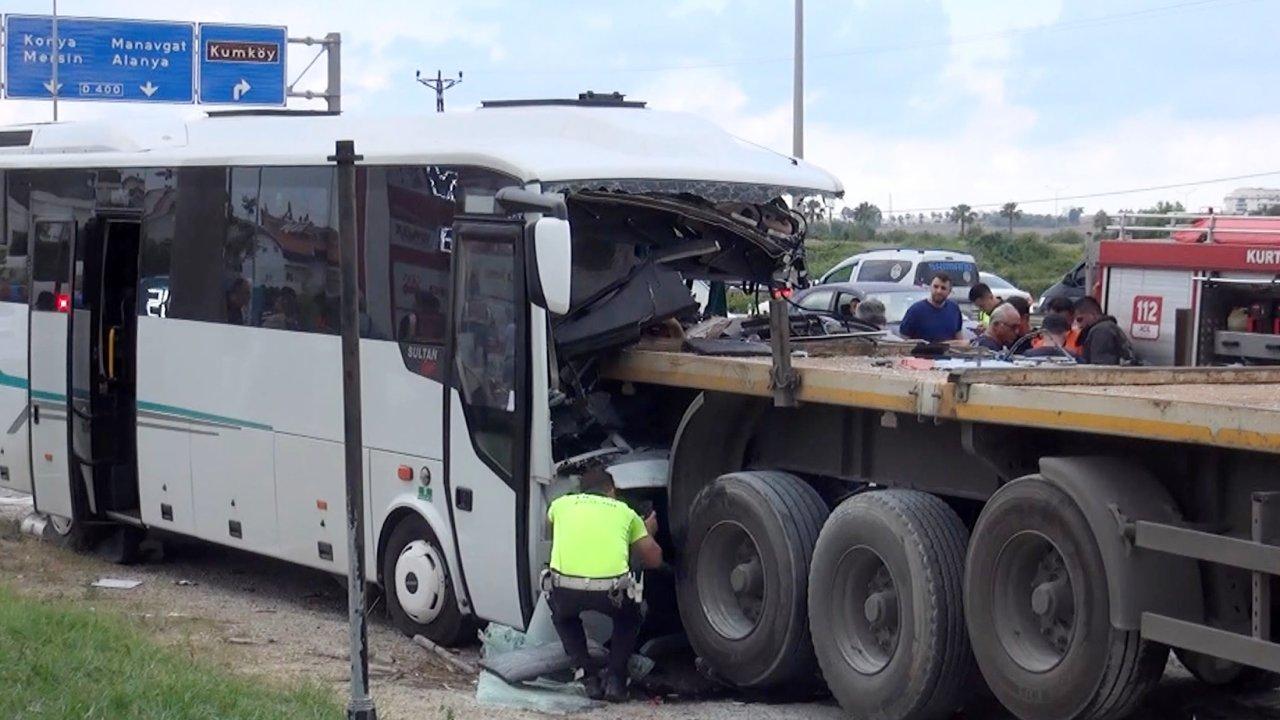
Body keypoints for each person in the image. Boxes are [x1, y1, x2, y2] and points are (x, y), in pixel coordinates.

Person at [547, 467, 663, 702]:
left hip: (566, 588)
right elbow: (654, 560)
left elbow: (554, 531)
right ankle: (616, 680)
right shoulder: (625, 512)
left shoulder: (559, 506)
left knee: (563, 616)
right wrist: (647, 532)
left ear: (581, 491)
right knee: (628, 617)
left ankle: (586, 676)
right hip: (611, 592)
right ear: (611, 491)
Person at [898, 272, 966, 343]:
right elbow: (904, 341)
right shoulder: (915, 311)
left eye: (943, 288)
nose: (939, 291)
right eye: (936, 287)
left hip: (949, 350)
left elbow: (959, 337)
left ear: (949, 291)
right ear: (930, 287)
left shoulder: (954, 309)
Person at [1074, 296, 1137, 365]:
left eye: (1079, 319)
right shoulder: (1106, 328)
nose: (1079, 325)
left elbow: (1101, 367)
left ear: (1093, 314)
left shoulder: (1101, 331)